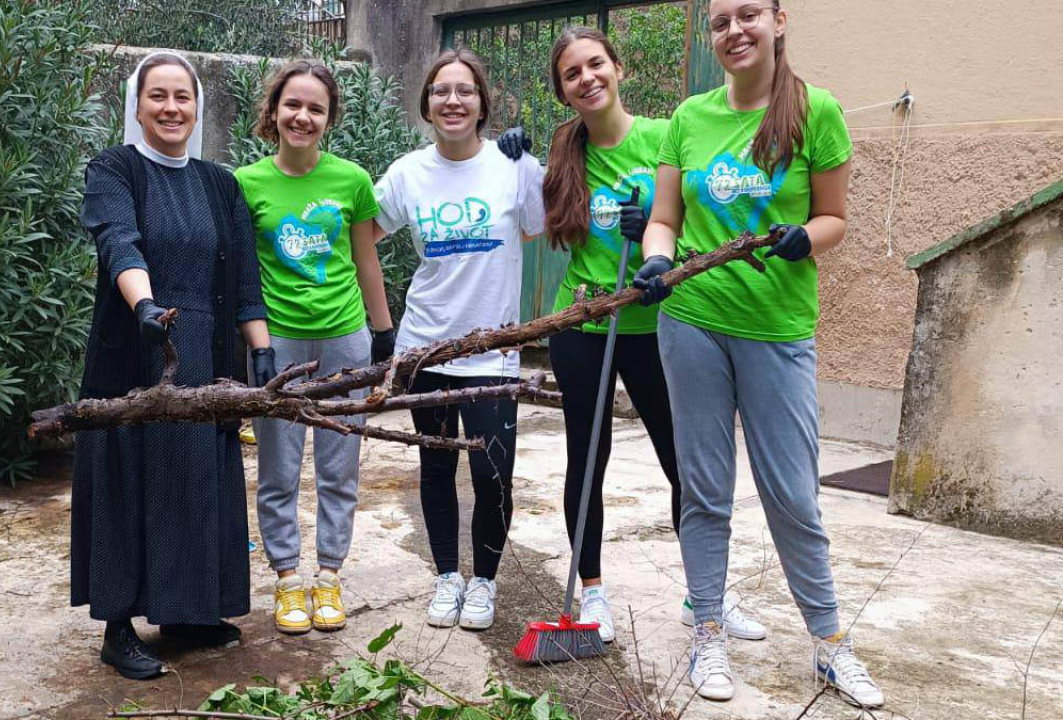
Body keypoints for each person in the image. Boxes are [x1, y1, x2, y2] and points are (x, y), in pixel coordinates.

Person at [637, 0, 883, 707]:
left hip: (778, 331)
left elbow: (834, 216)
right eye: (720, 22)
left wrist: (809, 238)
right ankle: (707, 631)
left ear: (779, 20)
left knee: (793, 496)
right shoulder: (690, 119)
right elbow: (664, 219)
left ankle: (831, 645)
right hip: (692, 322)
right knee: (704, 490)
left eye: (749, 14)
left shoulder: (817, 111)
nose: (734, 31)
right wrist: (657, 264)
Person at [502, 26, 767, 647]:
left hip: (659, 327)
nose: (587, 78)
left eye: (596, 64)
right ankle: (591, 594)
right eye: (572, 73)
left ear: (618, 68)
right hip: (584, 325)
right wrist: (512, 156)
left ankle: (706, 593)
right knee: (587, 461)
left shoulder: (664, 136)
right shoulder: (566, 155)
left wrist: (653, 226)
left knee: (686, 463)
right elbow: (526, 218)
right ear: (563, 91)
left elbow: (696, 210)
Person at [72, 51, 276, 680]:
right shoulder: (116, 167)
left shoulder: (221, 184)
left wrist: (261, 350)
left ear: (197, 106)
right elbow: (118, 241)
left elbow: (244, 280)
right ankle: (118, 627)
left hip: (205, 357)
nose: (170, 108)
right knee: (128, 480)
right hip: (135, 350)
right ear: (137, 106)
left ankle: (187, 612)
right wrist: (146, 305)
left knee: (192, 481)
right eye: (157, 96)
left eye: (181, 97)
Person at [372, 48, 545, 631]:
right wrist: (382, 328)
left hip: (493, 351)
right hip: (426, 345)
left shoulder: (512, 165)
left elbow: (550, 219)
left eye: (464, 90)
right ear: (426, 103)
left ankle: (485, 582)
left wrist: (540, 161)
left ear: (481, 104)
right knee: (438, 465)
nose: (452, 100)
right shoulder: (407, 173)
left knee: (494, 472)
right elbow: (359, 234)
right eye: (441, 90)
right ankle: (447, 576)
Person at [234, 60, 393, 636]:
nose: (303, 117)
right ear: (274, 111)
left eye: (315, 109)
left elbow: (366, 260)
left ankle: (329, 576)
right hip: (279, 342)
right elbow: (243, 276)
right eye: (293, 105)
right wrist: (255, 347)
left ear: (330, 119)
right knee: (278, 469)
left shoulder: (350, 180)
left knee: (338, 466)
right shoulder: (246, 183)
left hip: (344, 336)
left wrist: (382, 334)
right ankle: (286, 579)